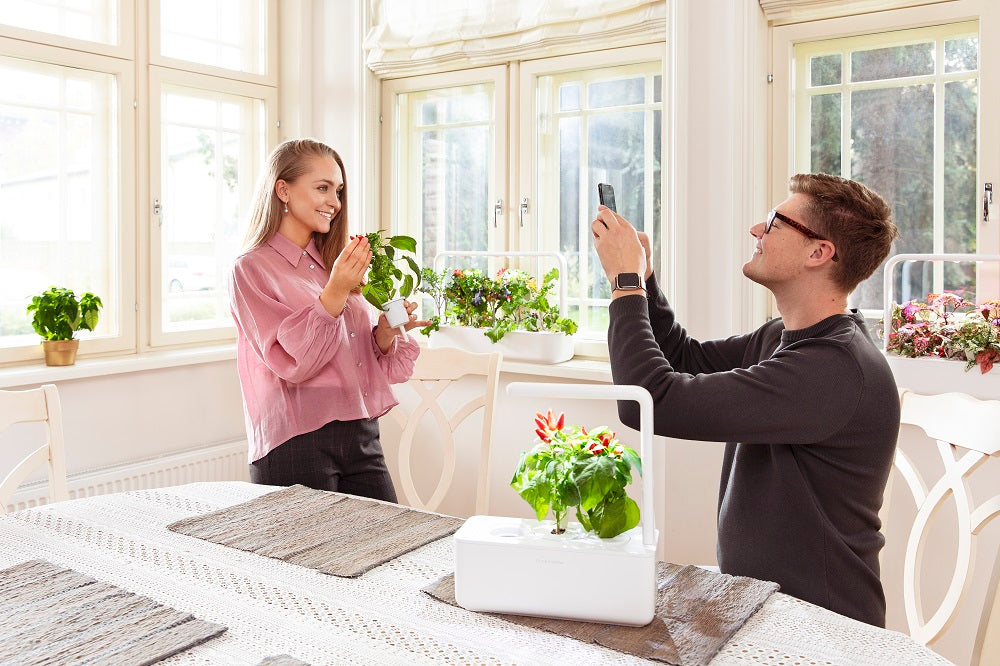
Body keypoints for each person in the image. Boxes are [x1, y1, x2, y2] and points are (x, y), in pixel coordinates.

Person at [591, 173, 900, 627]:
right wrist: (646, 279)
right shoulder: (785, 338)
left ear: (819, 253)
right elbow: (682, 358)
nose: (758, 229)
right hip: (759, 605)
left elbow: (649, 399)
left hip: (819, 625)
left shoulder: (832, 370)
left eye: (775, 222)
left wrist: (624, 281)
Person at [230, 138, 428, 502]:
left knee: (387, 548)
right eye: (322, 188)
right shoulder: (251, 268)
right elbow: (296, 363)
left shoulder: (334, 263)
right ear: (283, 190)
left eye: (338, 190)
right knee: (307, 560)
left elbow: (348, 352)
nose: (335, 203)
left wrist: (382, 337)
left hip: (361, 433)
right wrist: (336, 290)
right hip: (296, 442)